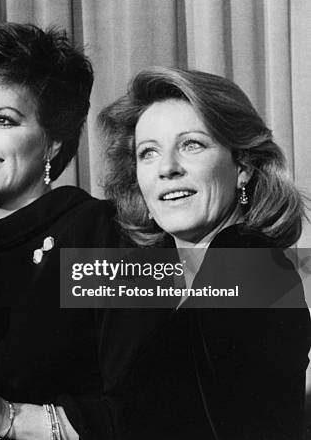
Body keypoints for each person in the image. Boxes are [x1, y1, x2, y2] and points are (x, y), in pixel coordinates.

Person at [0, 23, 160, 440]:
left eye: (3, 120)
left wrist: (6, 416)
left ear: (54, 142)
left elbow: (142, 412)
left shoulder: (100, 235)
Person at [99, 66, 311, 439]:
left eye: (191, 145)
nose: (167, 168)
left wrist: (12, 418)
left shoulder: (251, 259)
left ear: (242, 166)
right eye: (148, 153)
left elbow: (160, 413)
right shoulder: (147, 280)